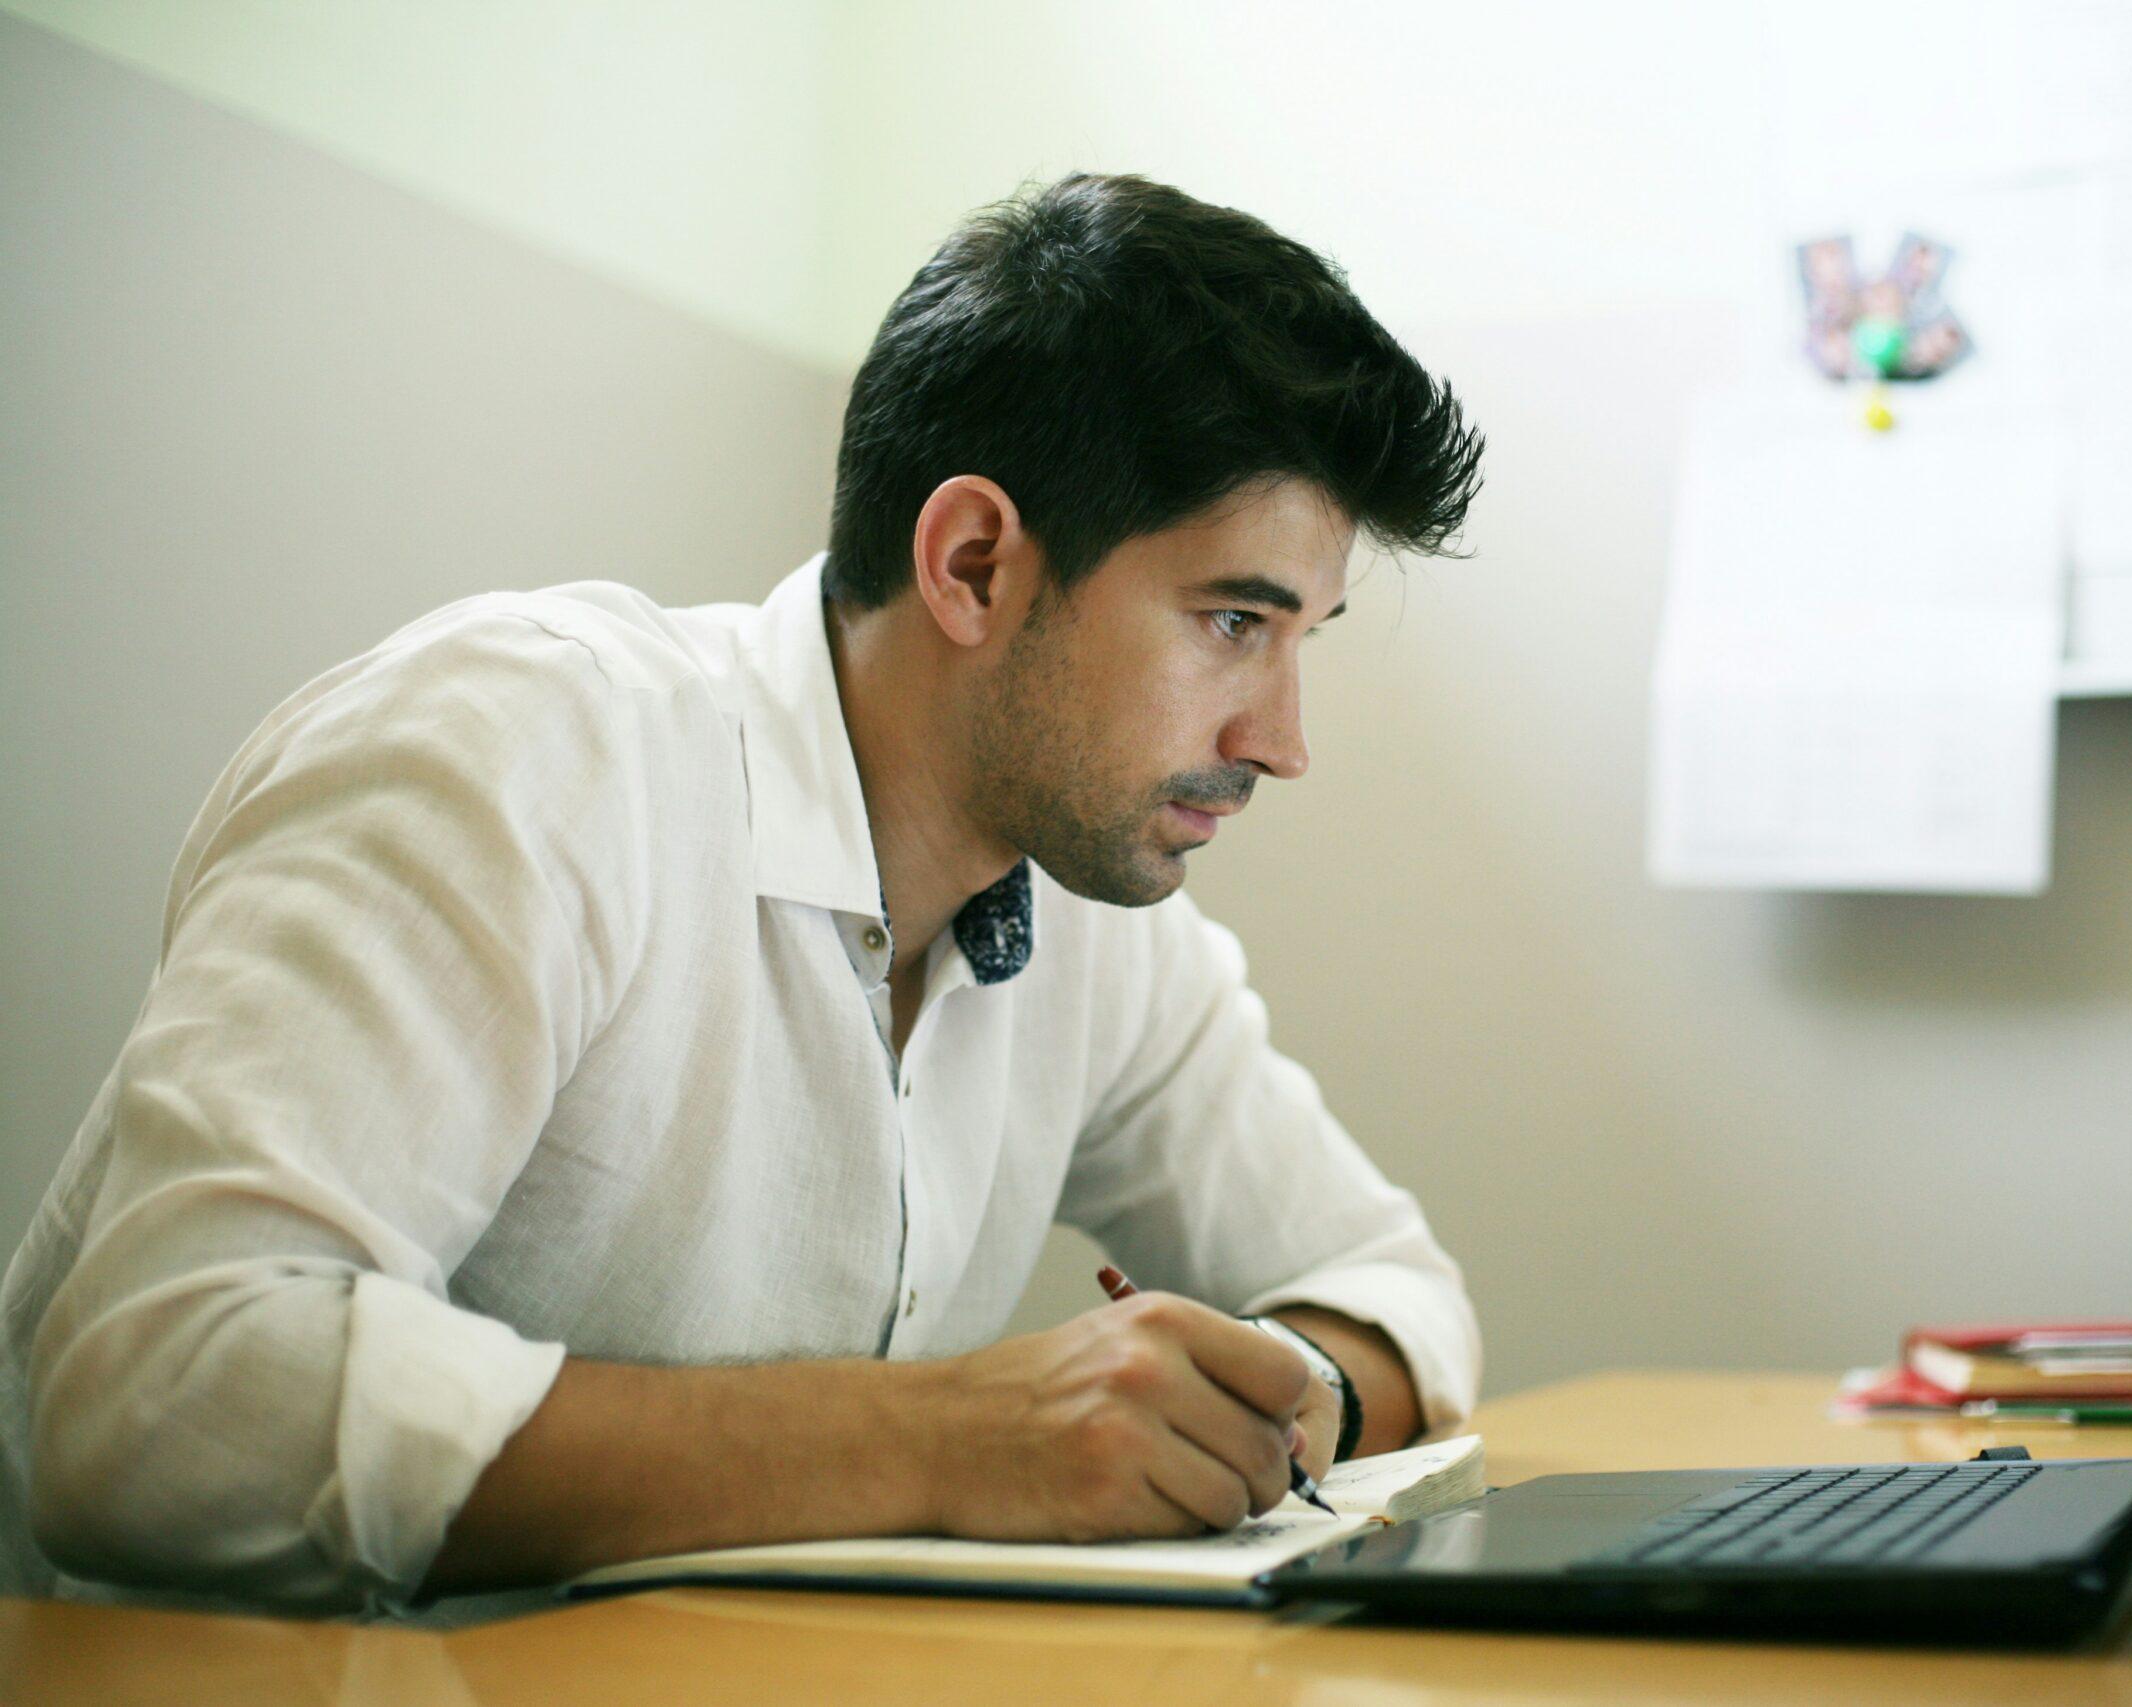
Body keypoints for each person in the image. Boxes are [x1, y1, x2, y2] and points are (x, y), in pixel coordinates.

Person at [0, 173, 1486, 1615]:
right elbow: (161, 1401)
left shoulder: (1100, 924)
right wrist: (960, 1441)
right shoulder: (520, 756)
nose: (1283, 744)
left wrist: (1262, 1420)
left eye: (1305, 640)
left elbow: (1391, 1286)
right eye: (1235, 622)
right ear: (974, 565)